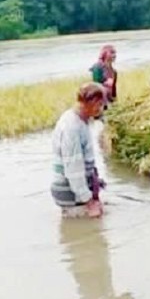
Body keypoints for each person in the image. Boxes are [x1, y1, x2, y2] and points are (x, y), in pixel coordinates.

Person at [51, 82, 107, 218]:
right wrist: (89, 202)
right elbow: (73, 170)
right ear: (91, 102)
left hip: (75, 192)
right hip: (71, 194)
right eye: (99, 105)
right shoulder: (72, 127)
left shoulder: (80, 120)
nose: (101, 109)